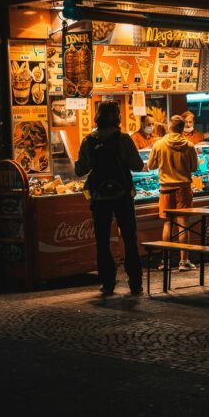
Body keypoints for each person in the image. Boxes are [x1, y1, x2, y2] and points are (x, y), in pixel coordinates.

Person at [75, 99, 145, 297]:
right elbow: (137, 165)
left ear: (98, 116)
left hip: (99, 197)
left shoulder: (89, 140)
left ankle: (107, 283)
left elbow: (80, 169)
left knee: (103, 240)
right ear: (117, 117)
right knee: (130, 238)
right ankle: (135, 282)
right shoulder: (123, 139)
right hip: (123, 195)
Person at [148, 114, 199, 271]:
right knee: (183, 223)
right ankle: (184, 262)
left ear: (170, 127)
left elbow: (150, 165)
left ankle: (166, 261)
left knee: (168, 223)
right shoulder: (189, 145)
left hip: (165, 189)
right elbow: (194, 168)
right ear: (182, 128)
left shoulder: (159, 144)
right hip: (183, 188)